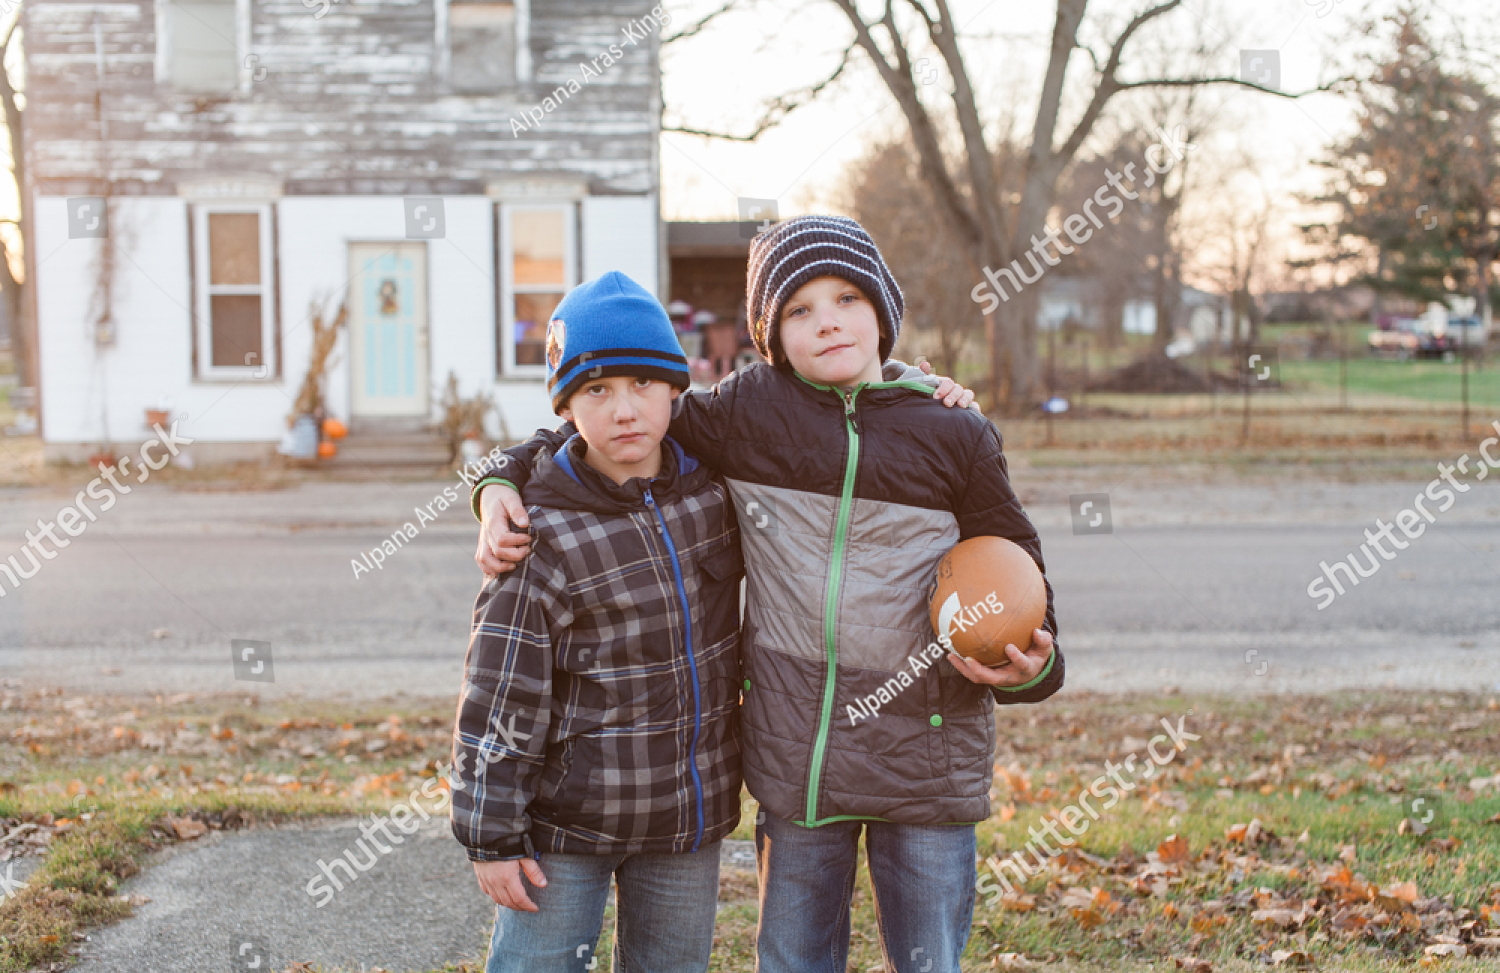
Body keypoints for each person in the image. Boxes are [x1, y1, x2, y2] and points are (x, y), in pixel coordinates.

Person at [474, 216, 1064, 973]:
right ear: (770, 333)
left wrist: (1036, 663)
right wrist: (497, 482)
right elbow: (605, 427)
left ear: (882, 307)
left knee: (928, 959)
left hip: (928, 753)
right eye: (799, 309)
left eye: (847, 297)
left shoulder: (953, 431)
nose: (828, 322)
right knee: (792, 956)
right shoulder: (745, 413)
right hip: (798, 761)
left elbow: (1022, 567)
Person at [449, 271, 744, 973]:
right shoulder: (537, 535)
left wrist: (919, 389)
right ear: (567, 406)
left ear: (677, 387)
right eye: (596, 391)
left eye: (643, 384)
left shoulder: (712, 494)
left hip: (684, 818)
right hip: (564, 827)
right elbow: (498, 696)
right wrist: (492, 836)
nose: (624, 411)